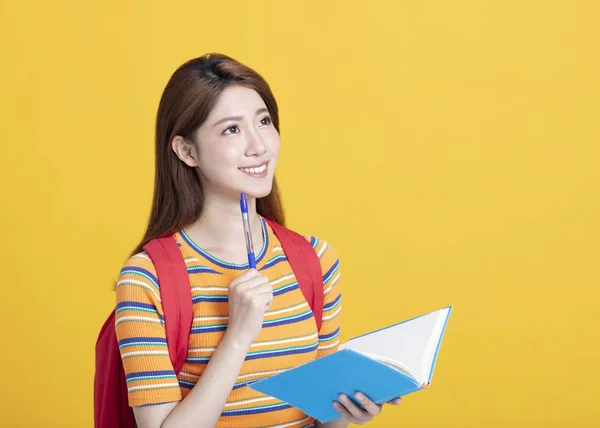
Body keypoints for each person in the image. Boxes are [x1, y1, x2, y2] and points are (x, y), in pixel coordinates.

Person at [115, 53, 401, 428]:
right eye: (231, 129)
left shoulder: (316, 260)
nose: (259, 146)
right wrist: (237, 337)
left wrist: (346, 410)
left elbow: (320, 420)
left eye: (264, 121)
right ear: (187, 151)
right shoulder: (145, 280)